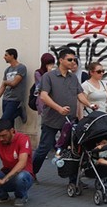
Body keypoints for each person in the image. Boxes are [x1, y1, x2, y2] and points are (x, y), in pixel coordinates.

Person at [32, 48, 95, 183]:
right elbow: (43, 96)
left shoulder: (73, 77)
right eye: (70, 59)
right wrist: (59, 108)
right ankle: (31, 172)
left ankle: (73, 180)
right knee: (44, 148)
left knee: (71, 150)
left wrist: (90, 105)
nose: (73, 62)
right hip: (51, 120)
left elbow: (80, 95)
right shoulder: (48, 77)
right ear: (61, 60)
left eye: (74, 60)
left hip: (69, 121)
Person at [0, 48, 28, 125]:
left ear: (12, 56)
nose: (4, 57)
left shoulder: (21, 68)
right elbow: (2, 87)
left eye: (6, 55)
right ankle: (11, 136)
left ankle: (19, 110)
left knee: (4, 121)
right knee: (9, 124)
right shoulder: (7, 70)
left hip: (15, 99)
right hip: (6, 98)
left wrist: (5, 82)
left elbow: (14, 83)